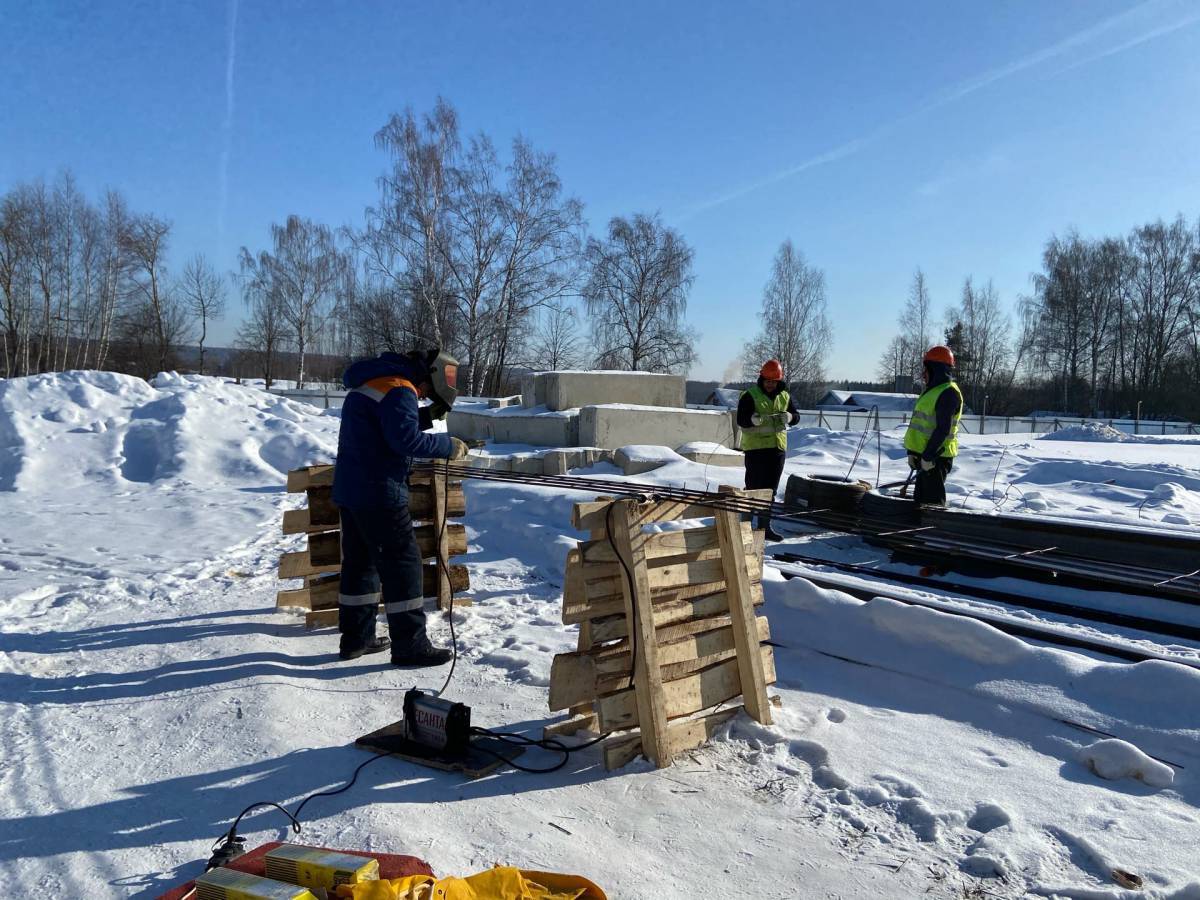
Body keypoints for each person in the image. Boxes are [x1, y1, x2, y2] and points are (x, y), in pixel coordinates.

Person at [332, 348, 469, 666]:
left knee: (360, 565)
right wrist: (448, 446)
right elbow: (405, 440)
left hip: (352, 491)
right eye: (425, 393)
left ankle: (356, 638)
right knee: (403, 566)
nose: (421, 396)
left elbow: (389, 426)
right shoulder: (400, 389)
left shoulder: (374, 382)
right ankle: (410, 645)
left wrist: (430, 416)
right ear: (430, 376)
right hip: (380, 493)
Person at [737, 359, 800, 541]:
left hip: (777, 450)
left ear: (779, 381)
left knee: (770, 490)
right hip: (756, 450)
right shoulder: (750, 395)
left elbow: (796, 416)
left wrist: (789, 417)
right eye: (768, 381)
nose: (771, 385)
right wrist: (752, 420)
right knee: (752, 488)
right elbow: (741, 419)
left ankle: (765, 527)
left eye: (774, 382)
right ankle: (745, 527)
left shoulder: (784, 396)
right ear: (762, 379)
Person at [904, 345, 964, 507]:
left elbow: (942, 429)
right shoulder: (932, 391)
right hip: (925, 456)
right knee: (920, 501)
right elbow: (921, 426)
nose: (923, 374)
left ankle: (932, 531)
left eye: (926, 369)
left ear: (936, 370)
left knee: (932, 504)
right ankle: (916, 530)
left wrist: (928, 455)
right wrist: (913, 452)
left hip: (936, 457)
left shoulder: (948, 393)